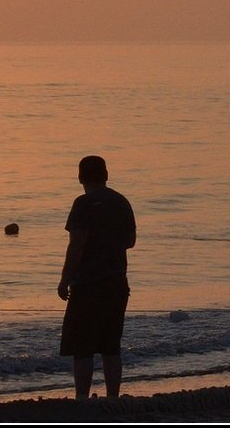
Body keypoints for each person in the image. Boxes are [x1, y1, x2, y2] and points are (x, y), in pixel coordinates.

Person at [58, 155, 137, 400]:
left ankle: (82, 399)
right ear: (106, 175)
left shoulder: (83, 203)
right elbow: (130, 241)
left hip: (88, 284)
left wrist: (64, 278)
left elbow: (76, 245)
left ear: (80, 177)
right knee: (111, 345)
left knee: (82, 347)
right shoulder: (121, 201)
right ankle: (113, 397)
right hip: (116, 283)